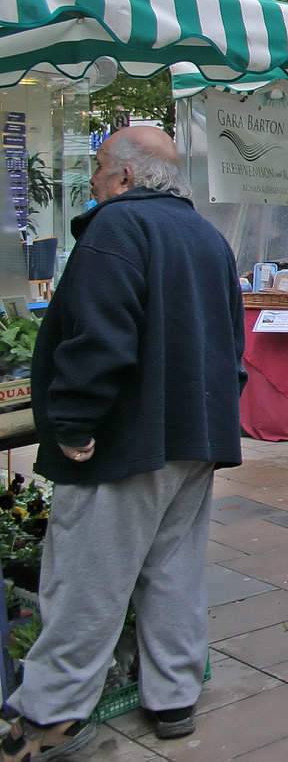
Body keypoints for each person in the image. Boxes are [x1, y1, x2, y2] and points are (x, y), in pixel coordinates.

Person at [3, 128, 246, 757]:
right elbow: (232, 348)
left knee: (87, 580)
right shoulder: (208, 238)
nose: (94, 177)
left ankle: (48, 718)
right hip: (195, 433)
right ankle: (174, 697)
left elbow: (99, 340)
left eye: (102, 165)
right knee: (173, 569)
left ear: (128, 177)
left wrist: (76, 421)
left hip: (128, 437)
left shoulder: (115, 229)